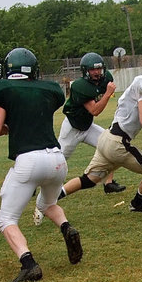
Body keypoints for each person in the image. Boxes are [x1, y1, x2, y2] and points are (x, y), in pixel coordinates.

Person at [0, 48, 83, 282]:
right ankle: (66, 227)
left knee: (6, 220)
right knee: (47, 204)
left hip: (29, 160)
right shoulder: (48, 90)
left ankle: (28, 264)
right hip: (57, 159)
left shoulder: (3, 90)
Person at [56, 53, 142, 215]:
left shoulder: (138, 83)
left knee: (89, 180)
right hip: (117, 143)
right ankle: (137, 203)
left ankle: (50, 199)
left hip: (106, 138)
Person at [33, 52, 124, 225]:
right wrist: (107, 94)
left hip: (87, 126)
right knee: (55, 165)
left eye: (99, 69)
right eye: (92, 70)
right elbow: (95, 110)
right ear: (85, 71)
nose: (97, 72)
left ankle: (108, 183)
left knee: (111, 145)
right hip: (72, 129)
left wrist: (106, 93)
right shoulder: (80, 86)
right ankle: (39, 200)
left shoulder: (105, 78)